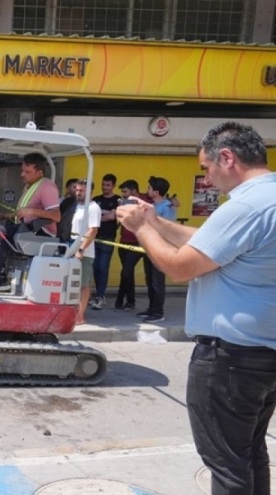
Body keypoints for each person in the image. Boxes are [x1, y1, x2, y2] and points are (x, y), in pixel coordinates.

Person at [117, 122, 276, 495]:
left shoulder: (247, 205)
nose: (206, 175)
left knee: (227, 465)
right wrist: (156, 221)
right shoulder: (267, 198)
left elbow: (179, 267)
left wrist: (142, 230)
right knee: (249, 453)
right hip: (263, 354)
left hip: (231, 359)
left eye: (206, 167)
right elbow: (211, 244)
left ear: (227, 157)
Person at [0, 153, 61, 293]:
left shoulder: (47, 188)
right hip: (26, 229)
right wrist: (6, 216)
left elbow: (56, 216)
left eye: (27, 171)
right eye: (22, 170)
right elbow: (24, 213)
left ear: (40, 172)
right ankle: (1, 277)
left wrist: (32, 211)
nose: (22, 174)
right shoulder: (30, 186)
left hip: (40, 233)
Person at [138, 176, 176, 323]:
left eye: (149, 187)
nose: (147, 190)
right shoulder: (151, 206)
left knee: (157, 282)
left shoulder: (166, 207)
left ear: (157, 191)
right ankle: (151, 308)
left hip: (160, 249)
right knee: (150, 280)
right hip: (149, 247)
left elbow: (166, 229)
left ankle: (158, 312)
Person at [69, 181, 101, 325]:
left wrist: (81, 249)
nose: (78, 192)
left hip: (85, 252)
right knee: (73, 284)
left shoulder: (93, 208)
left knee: (83, 284)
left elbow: (92, 230)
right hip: (71, 247)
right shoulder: (77, 206)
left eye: (81, 190)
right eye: (77, 189)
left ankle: (80, 315)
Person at [90, 173, 121, 310]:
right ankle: (97, 295)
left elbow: (111, 216)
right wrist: (102, 216)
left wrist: (97, 217)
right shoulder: (96, 199)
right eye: (103, 184)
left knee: (103, 268)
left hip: (108, 238)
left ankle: (101, 296)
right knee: (95, 268)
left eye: (108, 185)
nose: (104, 187)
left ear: (113, 186)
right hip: (94, 238)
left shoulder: (117, 200)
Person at [113, 180, 144, 311]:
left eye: (125, 192)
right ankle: (129, 301)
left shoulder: (144, 201)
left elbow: (169, 201)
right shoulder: (122, 202)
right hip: (123, 241)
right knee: (127, 272)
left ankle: (121, 299)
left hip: (137, 243)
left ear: (134, 191)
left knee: (126, 271)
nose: (123, 195)